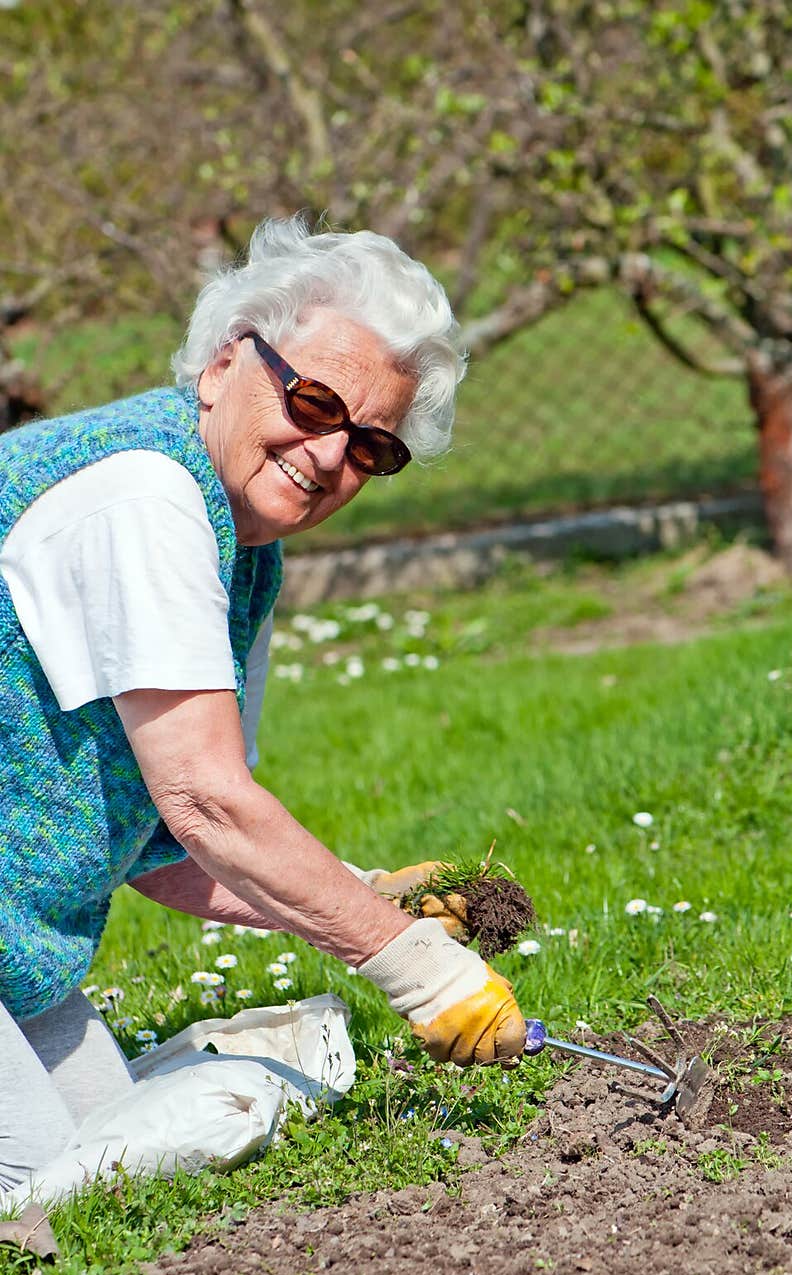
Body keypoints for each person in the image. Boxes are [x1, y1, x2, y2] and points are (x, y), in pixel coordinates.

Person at [0, 214, 526, 1197]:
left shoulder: (242, 552)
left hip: (15, 954)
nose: (331, 454)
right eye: (316, 401)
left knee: (121, 1161)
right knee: (33, 1185)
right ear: (223, 363)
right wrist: (414, 968)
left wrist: (365, 895)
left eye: (371, 446)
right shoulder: (147, 496)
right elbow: (208, 802)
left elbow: (168, 846)